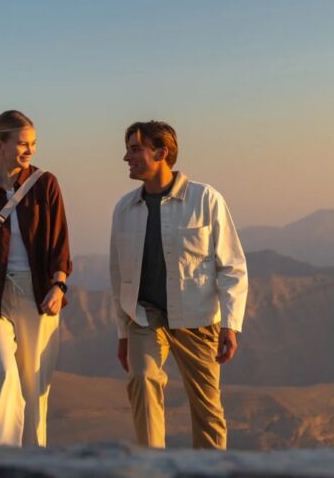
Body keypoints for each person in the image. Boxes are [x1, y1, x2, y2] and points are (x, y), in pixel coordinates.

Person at [109, 121, 249, 449]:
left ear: (161, 153)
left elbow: (232, 266)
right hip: (144, 316)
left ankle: (210, 469)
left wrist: (230, 325)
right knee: (142, 379)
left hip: (197, 319)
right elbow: (118, 274)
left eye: (135, 149)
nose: (127, 157)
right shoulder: (124, 209)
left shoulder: (205, 199)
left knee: (207, 409)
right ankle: (151, 464)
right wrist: (123, 333)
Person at [0, 110, 72, 447]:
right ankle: (1, 456)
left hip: (37, 294)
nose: (30, 150)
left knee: (34, 388)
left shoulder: (46, 184)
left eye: (33, 143)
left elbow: (60, 243)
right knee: (3, 372)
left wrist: (59, 285)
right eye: (22, 143)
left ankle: (32, 461)